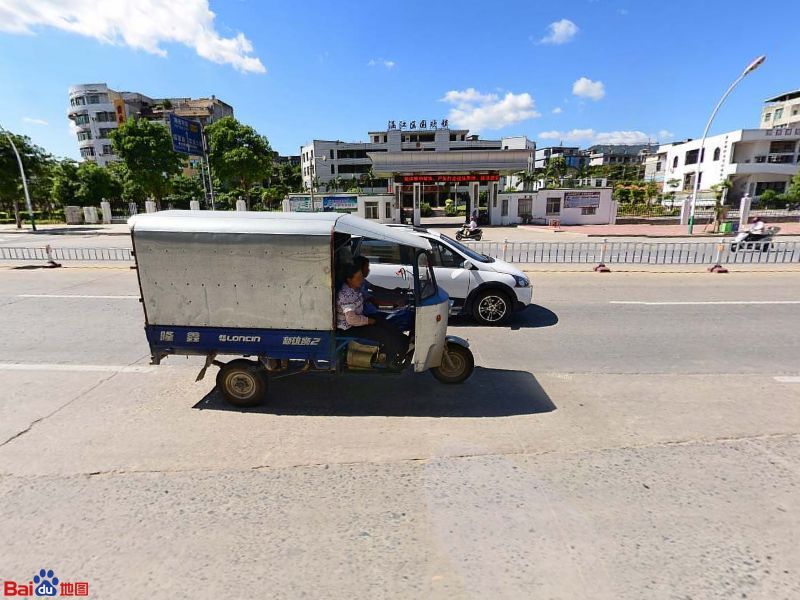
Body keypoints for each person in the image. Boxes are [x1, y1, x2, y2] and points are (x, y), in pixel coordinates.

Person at [336, 263, 409, 367]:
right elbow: (351, 319)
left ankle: (403, 342)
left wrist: (393, 302)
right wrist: (369, 321)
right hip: (349, 327)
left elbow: (370, 297)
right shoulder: (346, 295)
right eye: (358, 278)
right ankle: (390, 360)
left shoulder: (355, 289)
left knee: (385, 323)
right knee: (381, 333)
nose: (361, 280)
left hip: (359, 320)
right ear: (349, 279)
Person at [352, 256, 413, 331]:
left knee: (402, 315)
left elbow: (374, 288)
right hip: (370, 315)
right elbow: (373, 300)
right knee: (403, 317)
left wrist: (393, 291)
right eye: (366, 267)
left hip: (373, 312)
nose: (368, 270)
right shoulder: (357, 286)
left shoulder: (362, 281)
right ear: (360, 269)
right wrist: (394, 304)